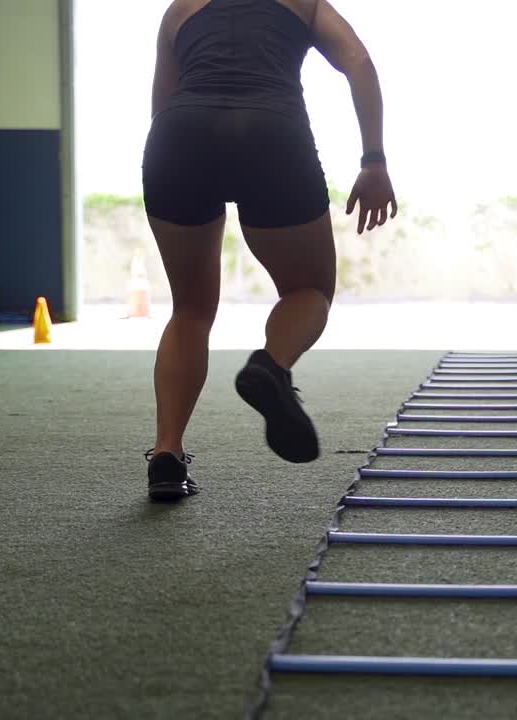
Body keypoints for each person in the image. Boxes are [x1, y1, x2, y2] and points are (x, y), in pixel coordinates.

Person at [140, 0, 397, 501]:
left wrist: (178, 157)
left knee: (190, 309)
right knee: (309, 289)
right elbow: (359, 63)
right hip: (271, 133)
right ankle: (271, 366)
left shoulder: (179, 9)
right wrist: (374, 161)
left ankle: (167, 456)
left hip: (179, 134)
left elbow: (161, 102)